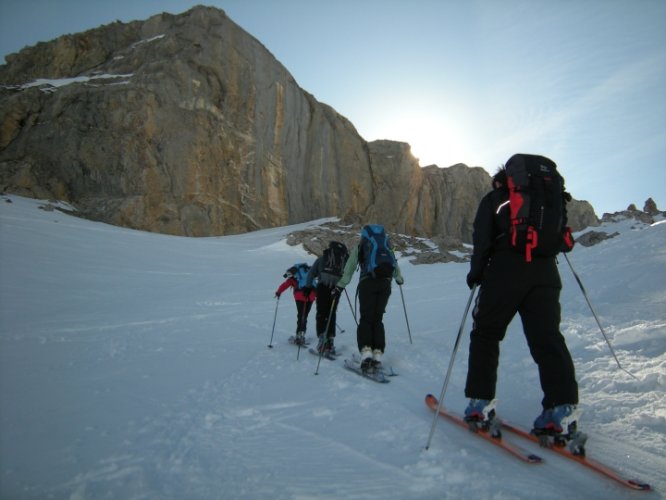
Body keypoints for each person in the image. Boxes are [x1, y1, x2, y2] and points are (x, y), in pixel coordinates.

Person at [463, 163, 580, 437]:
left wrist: (476, 274)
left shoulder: (495, 199)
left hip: (505, 270)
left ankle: (480, 403)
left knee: (486, 334)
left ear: (500, 182)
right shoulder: (548, 200)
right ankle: (560, 409)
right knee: (547, 339)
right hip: (546, 273)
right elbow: (564, 241)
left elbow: (482, 239)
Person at [335, 226, 404, 372]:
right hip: (385, 284)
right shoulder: (386, 245)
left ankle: (366, 354)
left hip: (367, 283)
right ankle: (377, 356)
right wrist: (399, 279)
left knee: (366, 318)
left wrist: (340, 285)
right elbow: (395, 265)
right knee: (377, 319)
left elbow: (350, 267)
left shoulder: (362, 246)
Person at [302, 241, 349, 355]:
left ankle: (323, 340)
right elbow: (346, 274)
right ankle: (330, 341)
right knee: (331, 313)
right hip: (336, 288)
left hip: (323, 288)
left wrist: (308, 287)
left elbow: (311, 273)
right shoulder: (343, 260)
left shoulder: (323, 258)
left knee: (321, 313)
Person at [275, 265, 316, 345]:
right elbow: (315, 286)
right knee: (304, 316)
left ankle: (299, 336)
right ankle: (302, 335)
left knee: (301, 315)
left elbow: (285, 285)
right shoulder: (309, 275)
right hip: (311, 296)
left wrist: (278, 292)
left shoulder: (294, 278)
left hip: (300, 297)